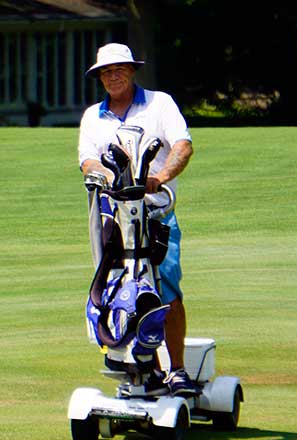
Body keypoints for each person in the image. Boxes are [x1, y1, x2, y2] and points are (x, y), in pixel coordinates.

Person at [78, 43, 198, 397]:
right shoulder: (92, 116)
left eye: (118, 69)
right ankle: (142, 368)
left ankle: (176, 370)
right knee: (117, 289)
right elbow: (87, 161)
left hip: (157, 213)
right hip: (113, 217)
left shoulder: (159, 103)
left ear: (131, 71)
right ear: (100, 77)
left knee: (167, 290)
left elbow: (182, 146)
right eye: (105, 72)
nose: (112, 76)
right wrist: (112, 177)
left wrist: (158, 178)